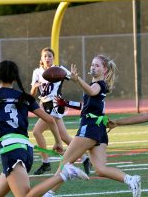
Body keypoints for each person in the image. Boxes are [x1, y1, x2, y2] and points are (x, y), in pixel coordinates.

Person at [0, 60, 88, 197]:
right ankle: (63, 174)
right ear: (15, 76)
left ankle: (64, 174)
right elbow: (49, 119)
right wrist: (58, 142)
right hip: (26, 150)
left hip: (11, 150)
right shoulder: (23, 97)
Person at [33, 54, 141, 197]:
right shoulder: (95, 86)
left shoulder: (98, 85)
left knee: (65, 162)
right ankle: (130, 180)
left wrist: (77, 80)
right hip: (99, 129)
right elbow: (85, 105)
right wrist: (66, 103)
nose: (93, 67)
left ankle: (49, 193)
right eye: (92, 65)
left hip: (90, 127)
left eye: (97, 65)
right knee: (101, 169)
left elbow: (91, 91)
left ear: (105, 71)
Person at [30, 47, 91, 175]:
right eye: (45, 56)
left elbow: (74, 79)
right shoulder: (37, 72)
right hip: (44, 104)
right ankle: (85, 158)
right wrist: (35, 86)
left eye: (50, 56)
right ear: (41, 58)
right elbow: (32, 95)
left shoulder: (60, 69)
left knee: (36, 131)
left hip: (55, 104)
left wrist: (75, 77)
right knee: (63, 136)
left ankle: (46, 163)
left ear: (53, 58)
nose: (47, 58)